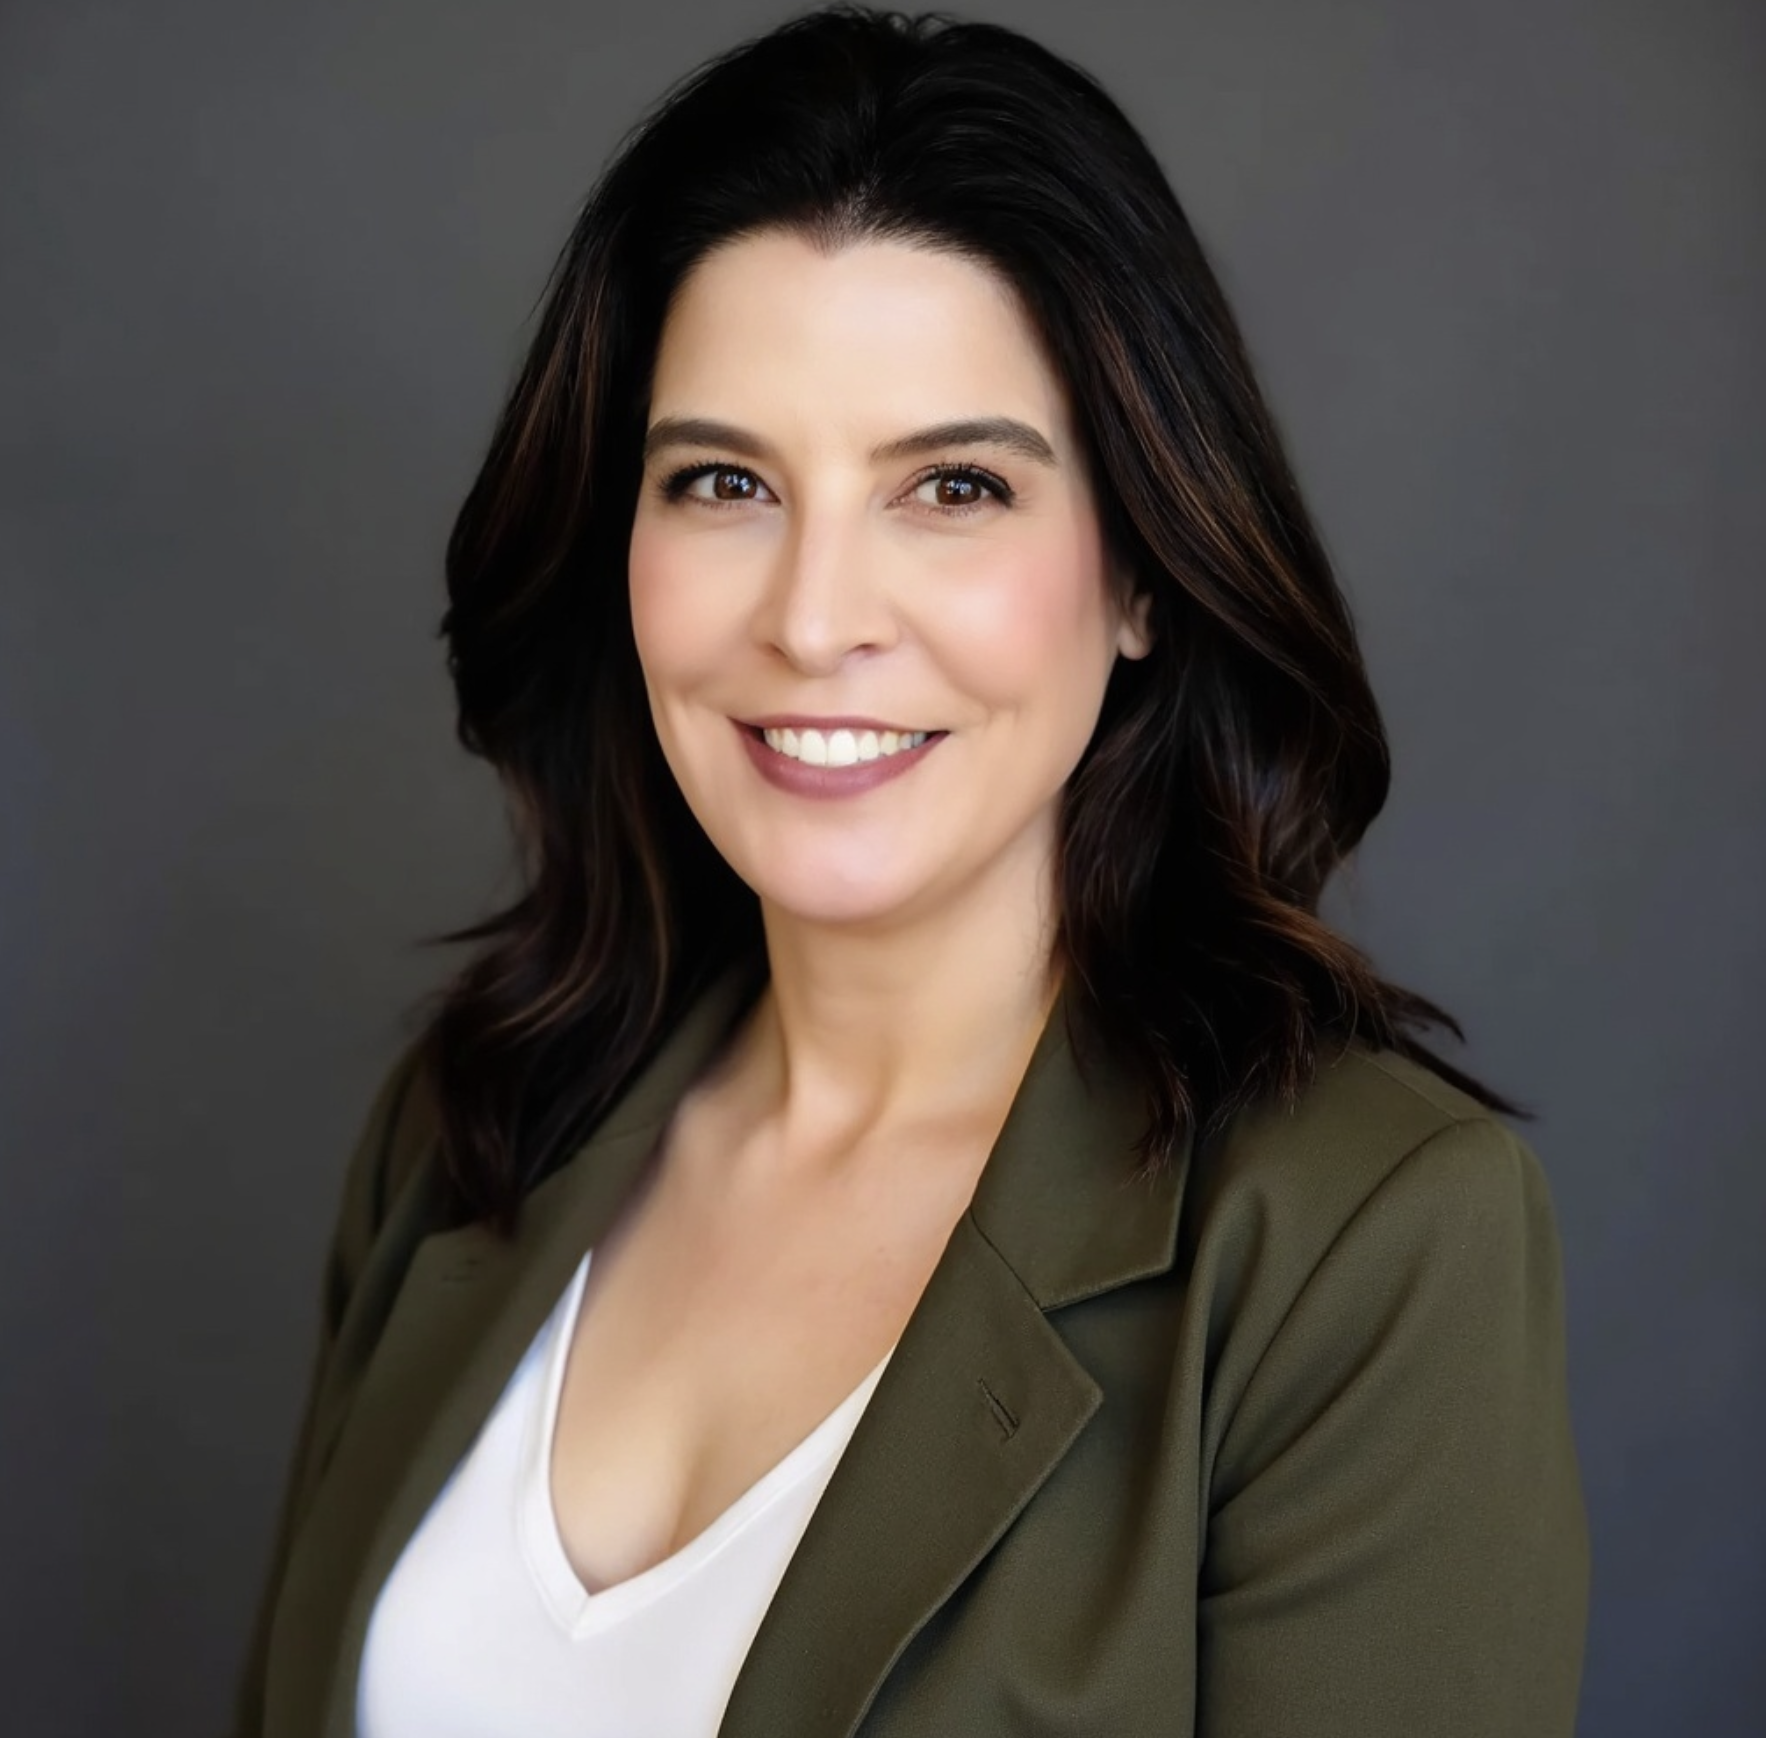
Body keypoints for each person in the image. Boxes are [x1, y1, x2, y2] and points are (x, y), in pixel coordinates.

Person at [230, 5, 1590, 1734]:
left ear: (1139, 573)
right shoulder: (475, 1124)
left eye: (951, 486)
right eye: (723, 479)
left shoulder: (1361, 1239)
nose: (811, 620)